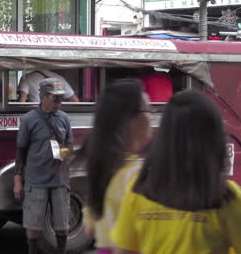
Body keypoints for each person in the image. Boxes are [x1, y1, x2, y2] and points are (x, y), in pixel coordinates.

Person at [110, 90, 241, 254]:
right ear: (213, 138)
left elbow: (124, 251)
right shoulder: (226, 196)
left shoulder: (138, 191)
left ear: (164, 135)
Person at [76, 79, 152, 254]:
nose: (152, 115)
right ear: (129, 120)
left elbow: (90, 228)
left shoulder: (105, 169)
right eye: (147, 110)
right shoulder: (136, 175)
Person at [13, 78, 74, 254]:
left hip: (60, 179)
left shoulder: (64, 118)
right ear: (42, 97)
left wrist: (65, 153)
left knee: (62, 225)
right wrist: (18, 179)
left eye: (61, 99)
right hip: (35, 179)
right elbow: (21, 150)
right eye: (55, 99)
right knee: (33, 226)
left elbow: (70, 144)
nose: (59, 103)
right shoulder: (28, 120)